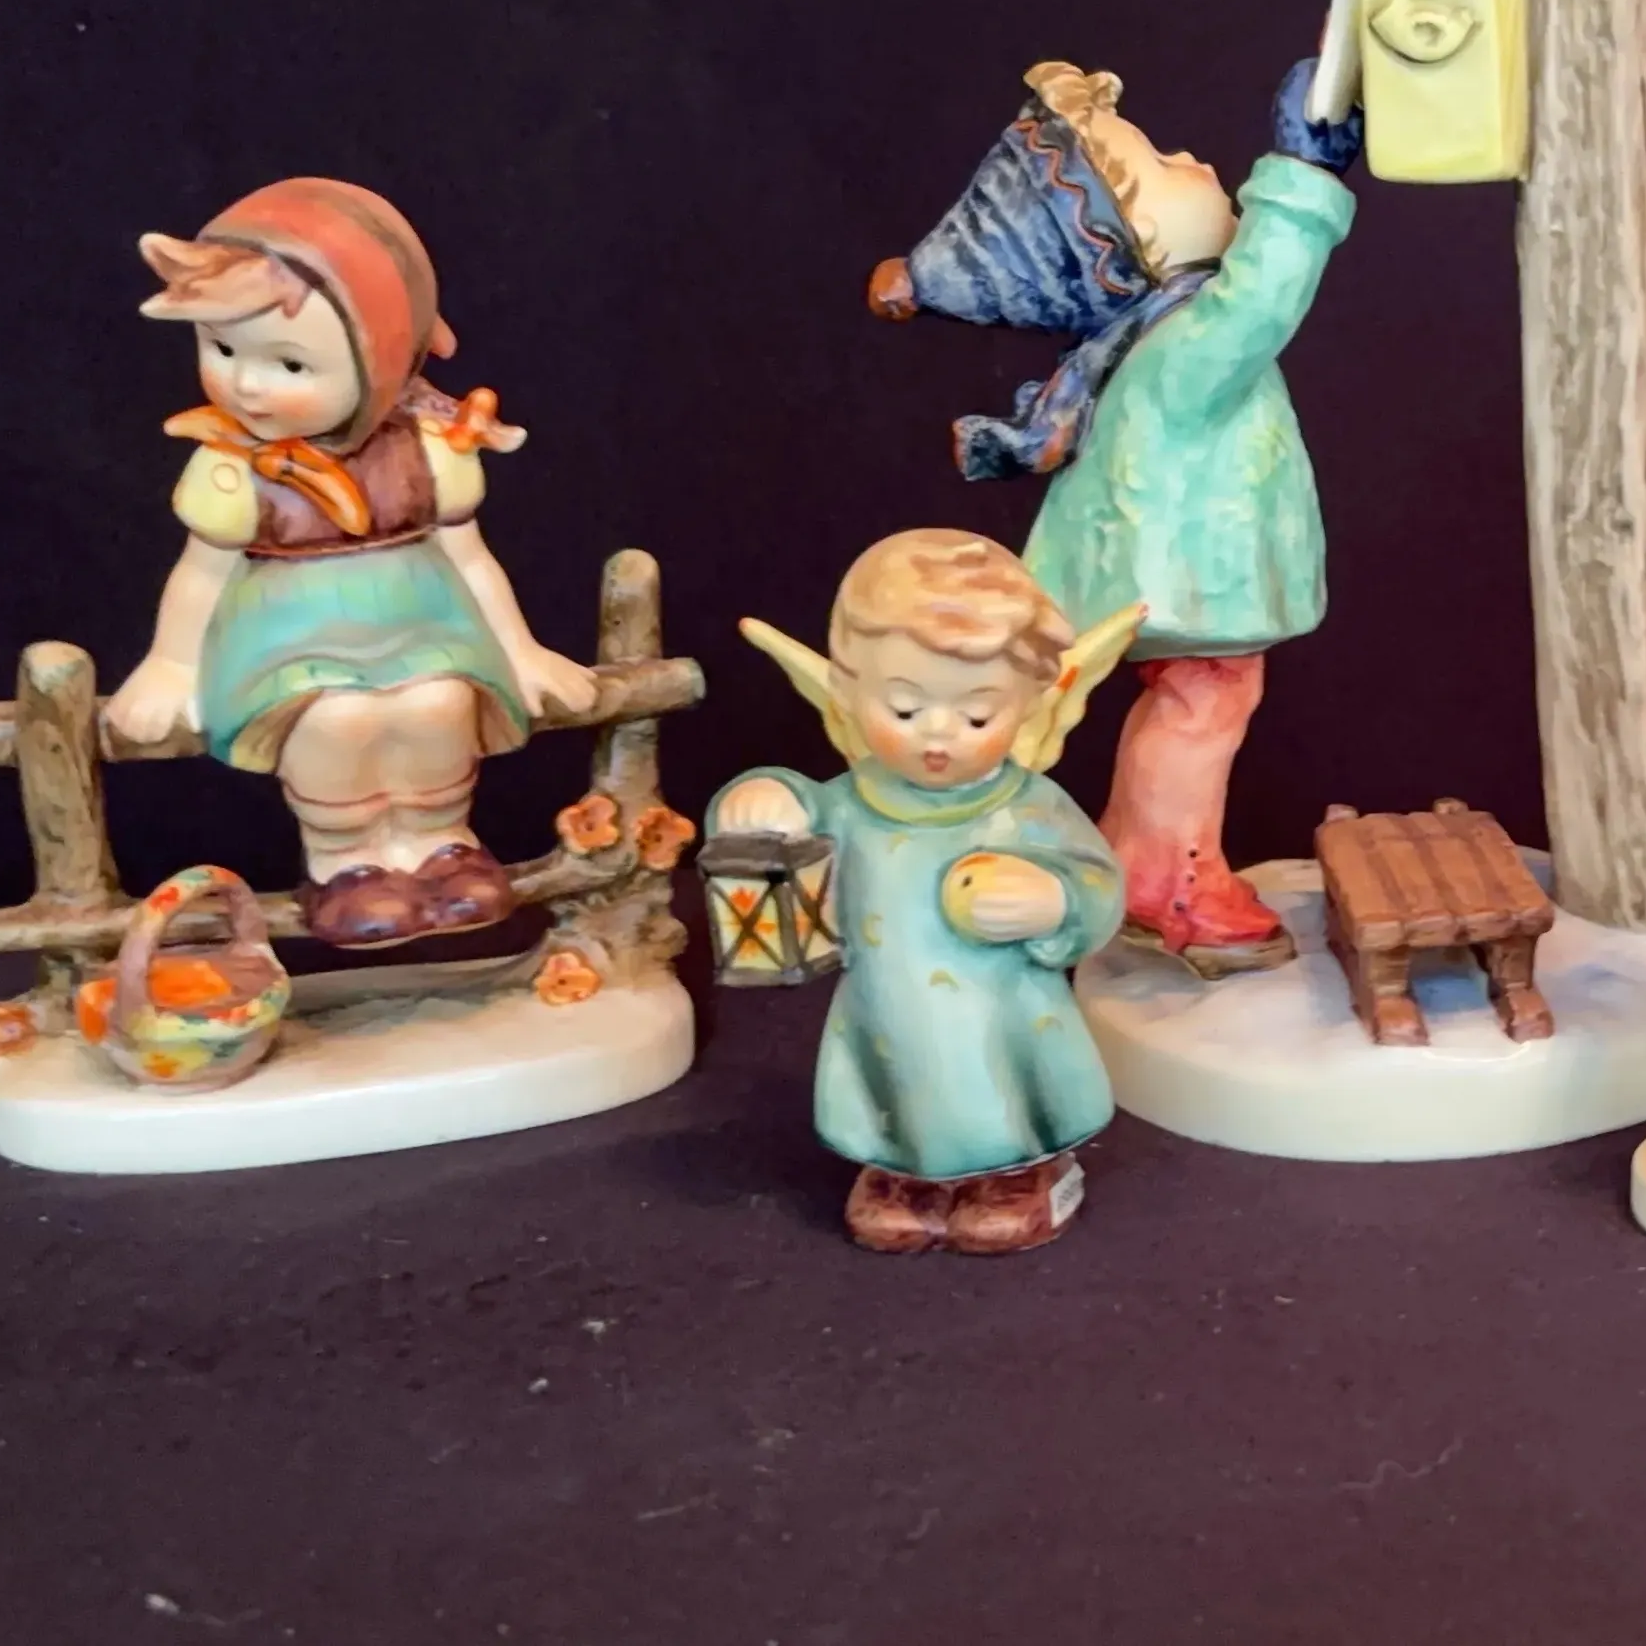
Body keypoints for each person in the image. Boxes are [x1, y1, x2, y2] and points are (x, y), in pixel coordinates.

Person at [866, 59, 1361, 975]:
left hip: (1171, 577)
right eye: (1164, 161)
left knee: (1190, 698)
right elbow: (1264, 296)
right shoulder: (1189, 336)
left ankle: (1137, 856)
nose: (1194, 159)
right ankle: (1171, 877)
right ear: (1136, 245)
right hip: (1189, 580)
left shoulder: (1147, 339)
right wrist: (1304, 174)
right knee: (1204, 703)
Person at [104, 179, 596, 947]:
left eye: (290, 365)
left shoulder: (426, 447)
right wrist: (170, 665)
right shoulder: (235, 465)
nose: (247, 383)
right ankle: (346, 862)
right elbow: (202, 572)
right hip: (286, 636)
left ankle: (442, 845)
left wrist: (519, 648)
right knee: (335, 718)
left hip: (425, 623)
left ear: (384, 359)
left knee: (439, 703)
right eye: (223, 349)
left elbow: (470, 559)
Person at [708, 530, 1137, 1252]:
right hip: (885, 1012)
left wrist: (1054, 899)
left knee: (999, 1088)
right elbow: (800, 816)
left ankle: (1014, 1175)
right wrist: (765, 797)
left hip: (1006, 1019)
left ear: (1030, 704)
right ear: (848, 692)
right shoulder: (852, 802)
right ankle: (903, 1173)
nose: (939, 736)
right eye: (904, 708)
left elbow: (1098, 884)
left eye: (978, 715)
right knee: (895, 1087)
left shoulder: (1028, 807)